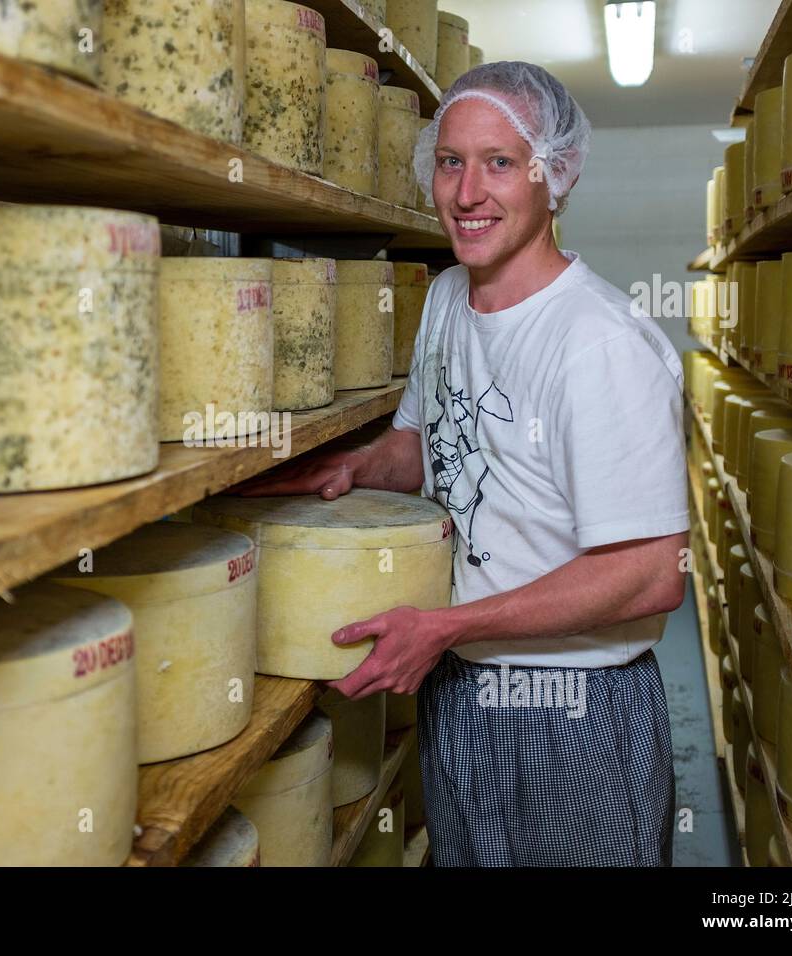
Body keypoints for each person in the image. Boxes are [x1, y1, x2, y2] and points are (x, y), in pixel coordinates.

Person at [232, 62, 689, 866]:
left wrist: (445, 625)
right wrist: (356, 467)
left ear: (555, 175)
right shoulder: (448, 297)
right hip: (460, 683)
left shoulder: (600, 344)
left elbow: (652, 572)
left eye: (500, 163)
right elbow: (424, 440)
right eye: (451, 161)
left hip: (569, 704)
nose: (468, 192)